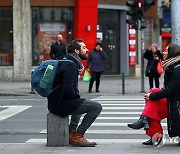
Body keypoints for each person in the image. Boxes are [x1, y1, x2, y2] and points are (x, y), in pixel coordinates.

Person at [47, 39, 102, 147]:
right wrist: (76, 97)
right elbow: (68, 90)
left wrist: (76, 98)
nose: (87, 50)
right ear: (77, 51)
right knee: (96, 107)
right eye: (84, 47)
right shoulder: (71, 65)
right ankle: (78, 135)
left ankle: (71, 132)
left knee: (80, 101)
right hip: (59, 104)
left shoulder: (66, 61)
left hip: (56, 102)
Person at [127, 43, 180, 146]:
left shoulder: (177, 68)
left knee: (152, 100)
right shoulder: (171, 66)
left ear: (172, 53)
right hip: (173, 100)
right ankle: (146, 121)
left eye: (166, 51)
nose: (163, 53)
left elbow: (170, 90)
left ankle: (145, 120)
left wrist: (151, 96)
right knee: (153, 93)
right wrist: (153, 94)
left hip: (176, 103)